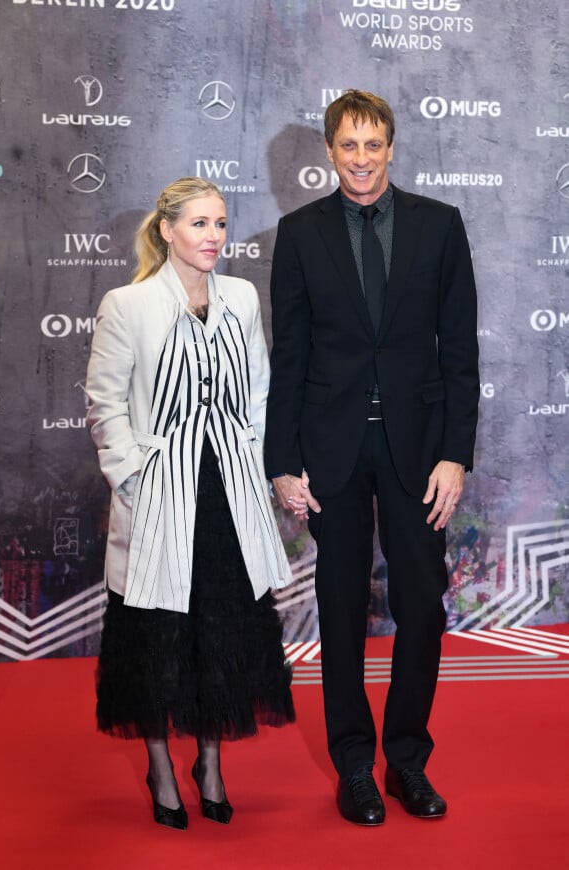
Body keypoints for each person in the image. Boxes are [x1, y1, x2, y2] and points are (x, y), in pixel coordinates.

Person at [264, 90, 479, 826]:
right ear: (330, 152)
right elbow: (288, 357)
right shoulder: (298, 234)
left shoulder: (440, 227)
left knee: (422, 608)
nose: (360, 159)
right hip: (332, 451)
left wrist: (456, 455)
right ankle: (354, 765)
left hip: (419, 454)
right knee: (341, 607)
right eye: (347, 146)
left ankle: (407, 763)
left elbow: (461, 354)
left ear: (391, 148)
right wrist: (283, 461)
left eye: (373, 145)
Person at [86, 176, 295, 831]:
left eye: (221, 224)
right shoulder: (130, 304)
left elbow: (259, 394)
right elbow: (105, 403)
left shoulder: (241, 295)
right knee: (157, 639)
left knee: (222, 631)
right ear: (167, 230)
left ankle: (209, 761)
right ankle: (159, 763)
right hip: (159, 498)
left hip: (230, 497)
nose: (213, 237)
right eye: (199, 224)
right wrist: (132, 479)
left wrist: (264, 471)